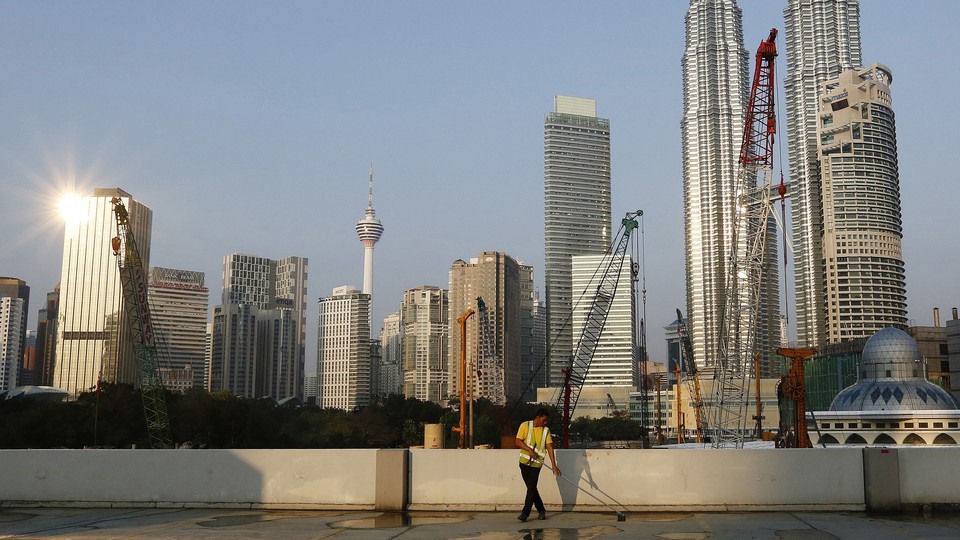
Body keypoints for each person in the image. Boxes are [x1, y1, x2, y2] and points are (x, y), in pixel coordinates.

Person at [515, 408, 561, 521]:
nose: (545, 423)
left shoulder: (546, 431)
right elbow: (518, 441)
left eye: (546, 421)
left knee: (531, 488)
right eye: (544, 420)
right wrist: (529, 450)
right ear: (538, 418)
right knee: (532, 488)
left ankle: (525, 513)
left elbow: (549, 447)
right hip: (524, 463)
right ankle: (541, 510)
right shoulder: (525, 425)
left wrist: (553, 465)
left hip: (537, 464)